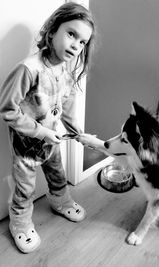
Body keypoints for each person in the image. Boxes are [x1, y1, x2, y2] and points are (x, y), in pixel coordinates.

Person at [0, 2, 96, 253]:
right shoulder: (28, 69)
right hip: (27, 145)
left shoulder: (65, 70)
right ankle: (20, 223)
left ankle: (60, 200)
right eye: (71, 34)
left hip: (53, 141)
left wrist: (79, 134)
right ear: (53, 31)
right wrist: (41, 131)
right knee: (25, 187)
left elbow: (67, 105)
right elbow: (7, 110)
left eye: (83, 42)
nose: (76, 45)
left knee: (57, 174)